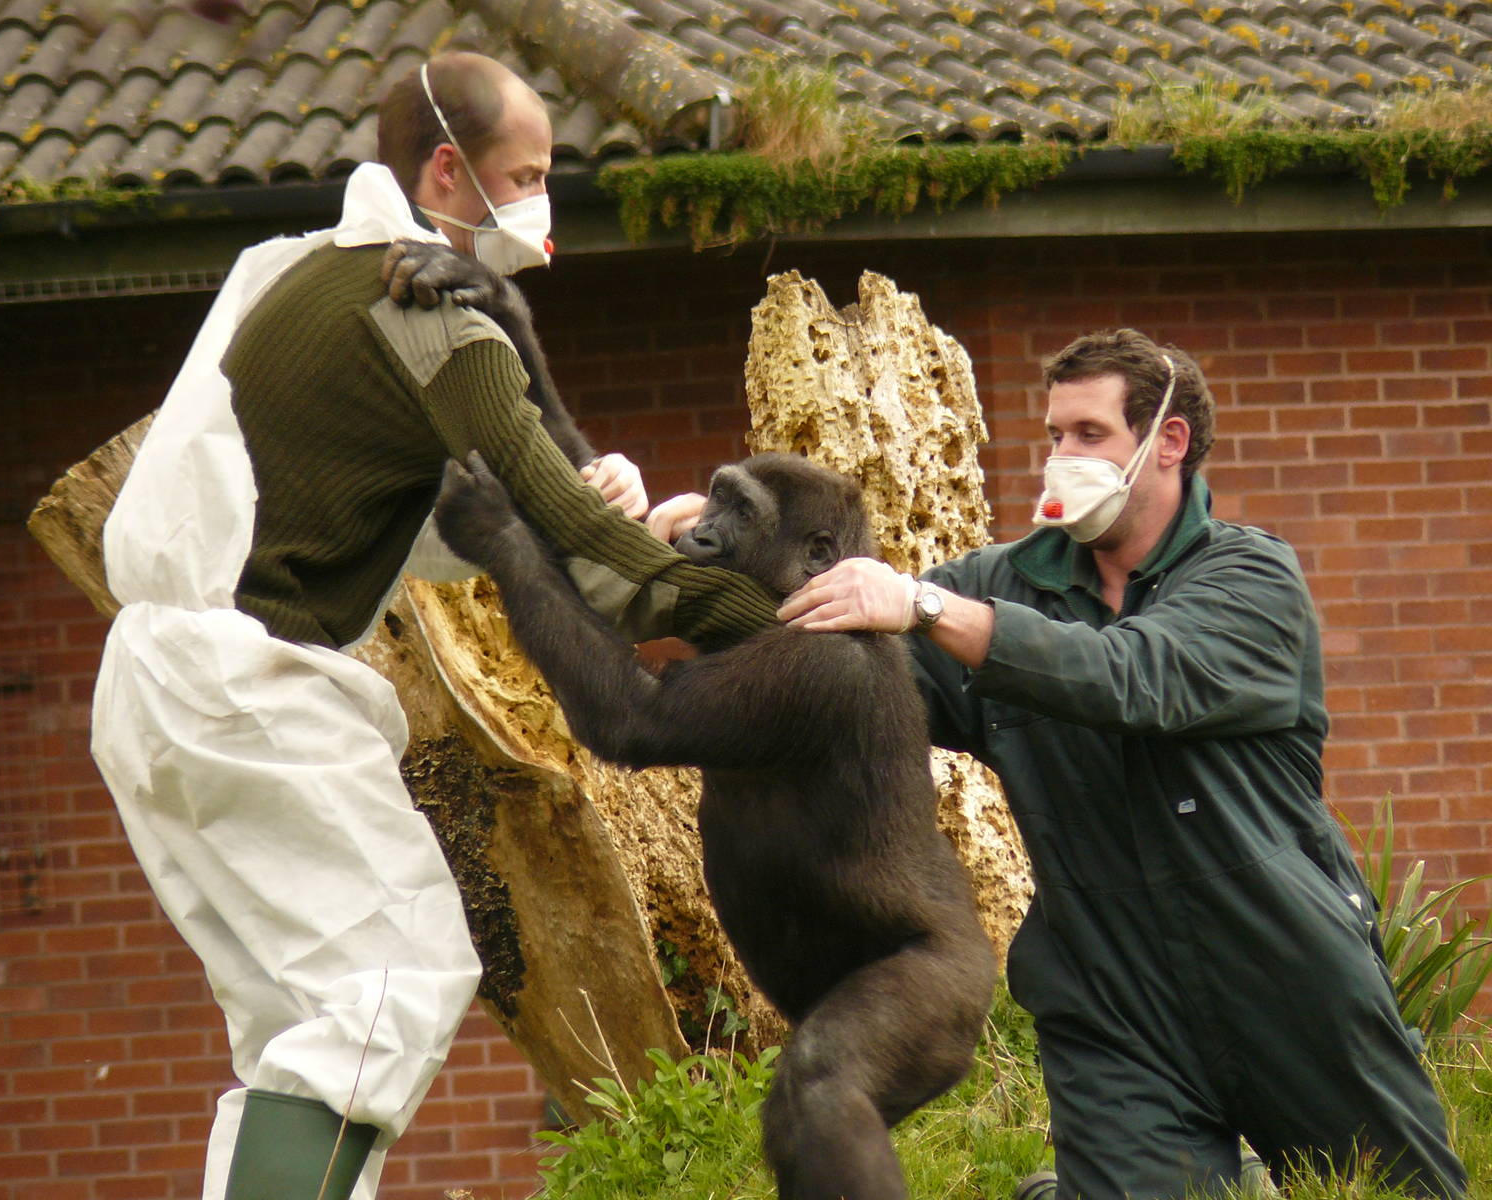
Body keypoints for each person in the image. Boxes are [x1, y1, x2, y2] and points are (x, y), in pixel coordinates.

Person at [90, 51, 774, 1200]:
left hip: (160, 679)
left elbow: (437, 520)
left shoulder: (308, 272)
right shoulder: (435, 320)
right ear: (449, 173)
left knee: (300, 1027)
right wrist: (786, 613)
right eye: (529, 175)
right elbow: (597, 565)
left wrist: (594, 498)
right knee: (391, 984)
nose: (544, 202)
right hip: (247, 685)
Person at [777, 328, 1468, 1200]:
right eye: (1055, 434)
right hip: (1111, 999)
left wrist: (924, 604)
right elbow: (842, 675)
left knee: (1400, 1192)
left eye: (1090, 434)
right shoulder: (1001, 584)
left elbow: (1135, 677)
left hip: (1285, 975)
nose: (1062, 456)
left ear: (1168, 441)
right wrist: (714, 550)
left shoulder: (1251, 579)